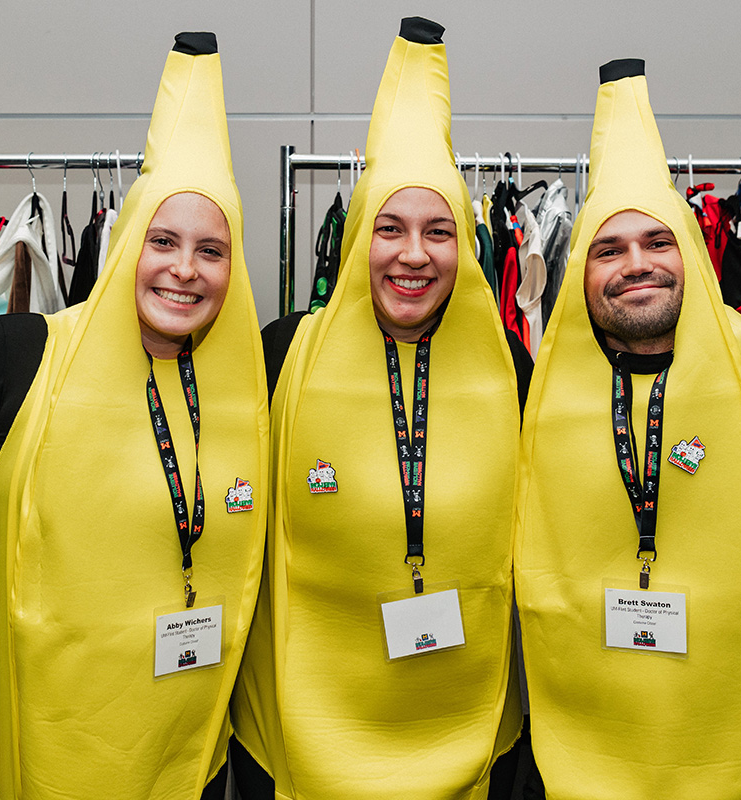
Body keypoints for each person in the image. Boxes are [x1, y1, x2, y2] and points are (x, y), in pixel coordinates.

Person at [0, 33, 268, 800]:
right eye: (163, 240)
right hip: (9, 756)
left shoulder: (246, 392)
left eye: (211, 250)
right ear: (125, 245)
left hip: (180, 763)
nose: (184, 269)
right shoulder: (16, 355)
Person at [514, 59, 741, 800]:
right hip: (579, 775)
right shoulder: (536, 409)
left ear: (694, 253)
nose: (635, 265)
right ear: (578, 272)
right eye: (608, 250)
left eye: (658, 241)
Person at [231, 17, 532, 799]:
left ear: (464, 247)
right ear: (357, 237)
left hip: (469, 731)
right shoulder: (283, 352)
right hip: (302, 734)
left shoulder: (513, 367)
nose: (412, 253)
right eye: (388, 228)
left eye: (438, 231)